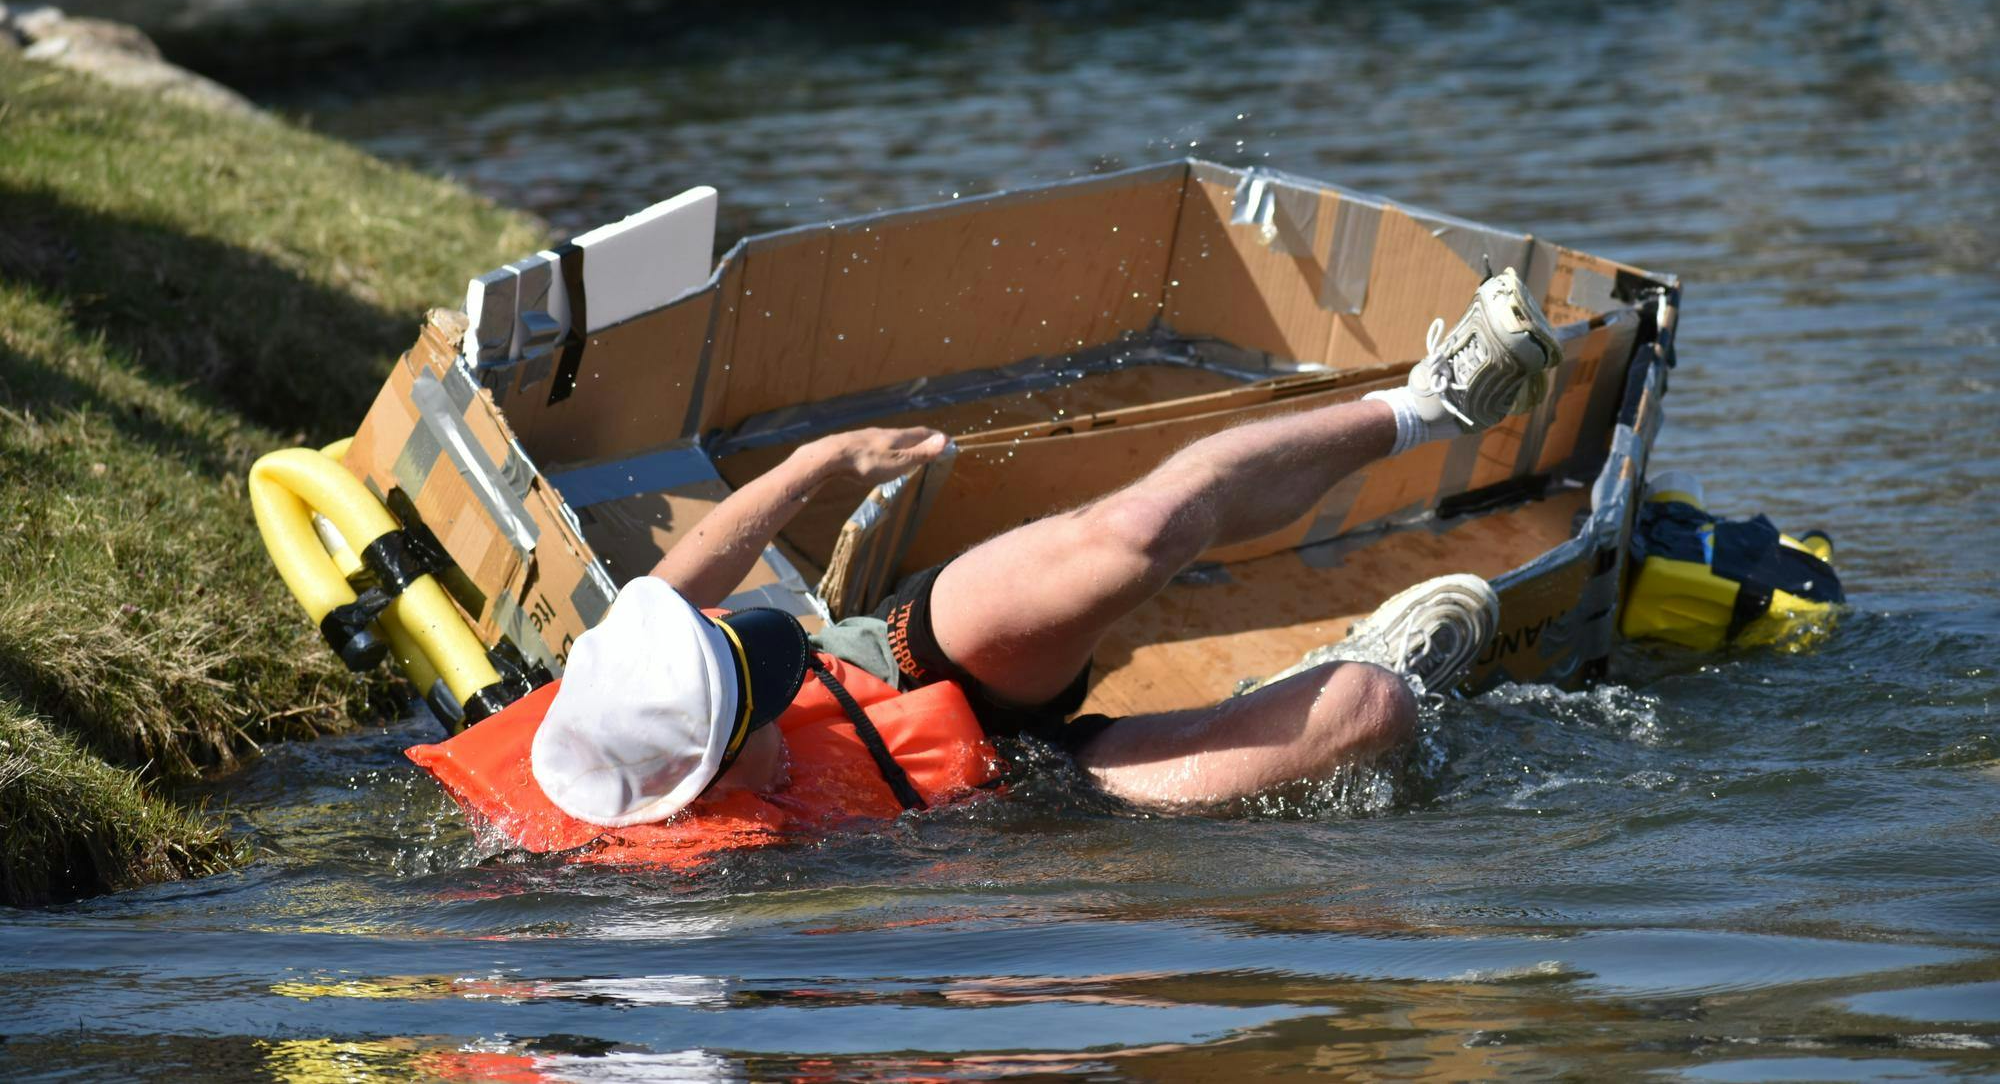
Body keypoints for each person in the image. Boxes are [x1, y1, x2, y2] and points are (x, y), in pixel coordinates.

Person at [529, 269, 1561, 826]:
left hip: (897, 661)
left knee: (1137, 531)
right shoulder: (699, 895)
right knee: (1369, 713)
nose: (766, 655)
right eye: (755, 688)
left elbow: (684, 570)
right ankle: (1332, 674)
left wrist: (821, 463)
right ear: (704, 784)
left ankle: (1427, 404)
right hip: (1001, 797)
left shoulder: (615, 682)